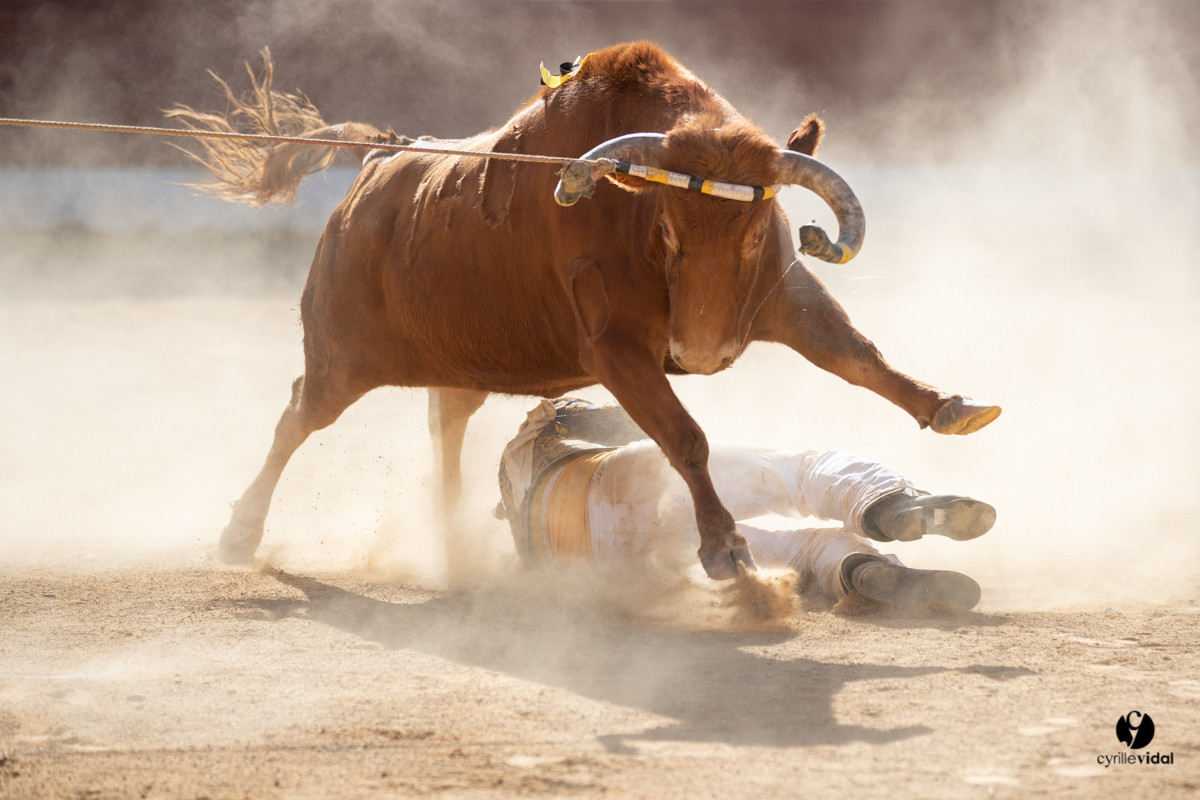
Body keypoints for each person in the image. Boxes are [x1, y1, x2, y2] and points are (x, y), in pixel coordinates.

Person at [496, 397, 995, 613]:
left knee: (794, 555)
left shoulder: (522, 520)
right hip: (616, 482)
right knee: (794, 474)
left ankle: (857, 571)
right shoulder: (535, 433)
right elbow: (637, 419)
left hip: (618, 563)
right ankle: (887, 504)